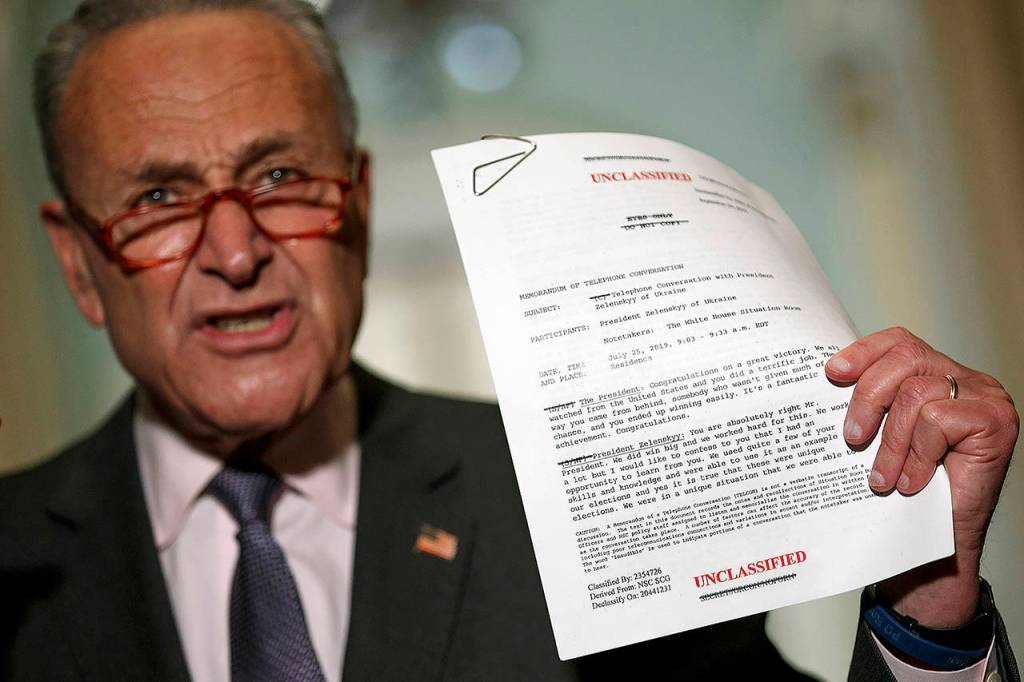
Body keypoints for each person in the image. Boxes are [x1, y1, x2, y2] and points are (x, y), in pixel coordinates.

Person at [0, 1, 1018, 680]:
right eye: (160, 198)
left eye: (278, 179)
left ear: (355, 206)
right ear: (79, 262)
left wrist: (924, 611)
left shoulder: (590, 496)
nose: (235, 249)